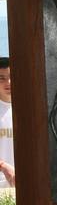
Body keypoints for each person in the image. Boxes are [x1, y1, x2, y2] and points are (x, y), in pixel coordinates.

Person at [0, 58, 15, 188]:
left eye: (11, 77)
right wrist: (3, 166)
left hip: (24, 185)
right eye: (2, 78)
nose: (8, 82)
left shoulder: (28, 110)